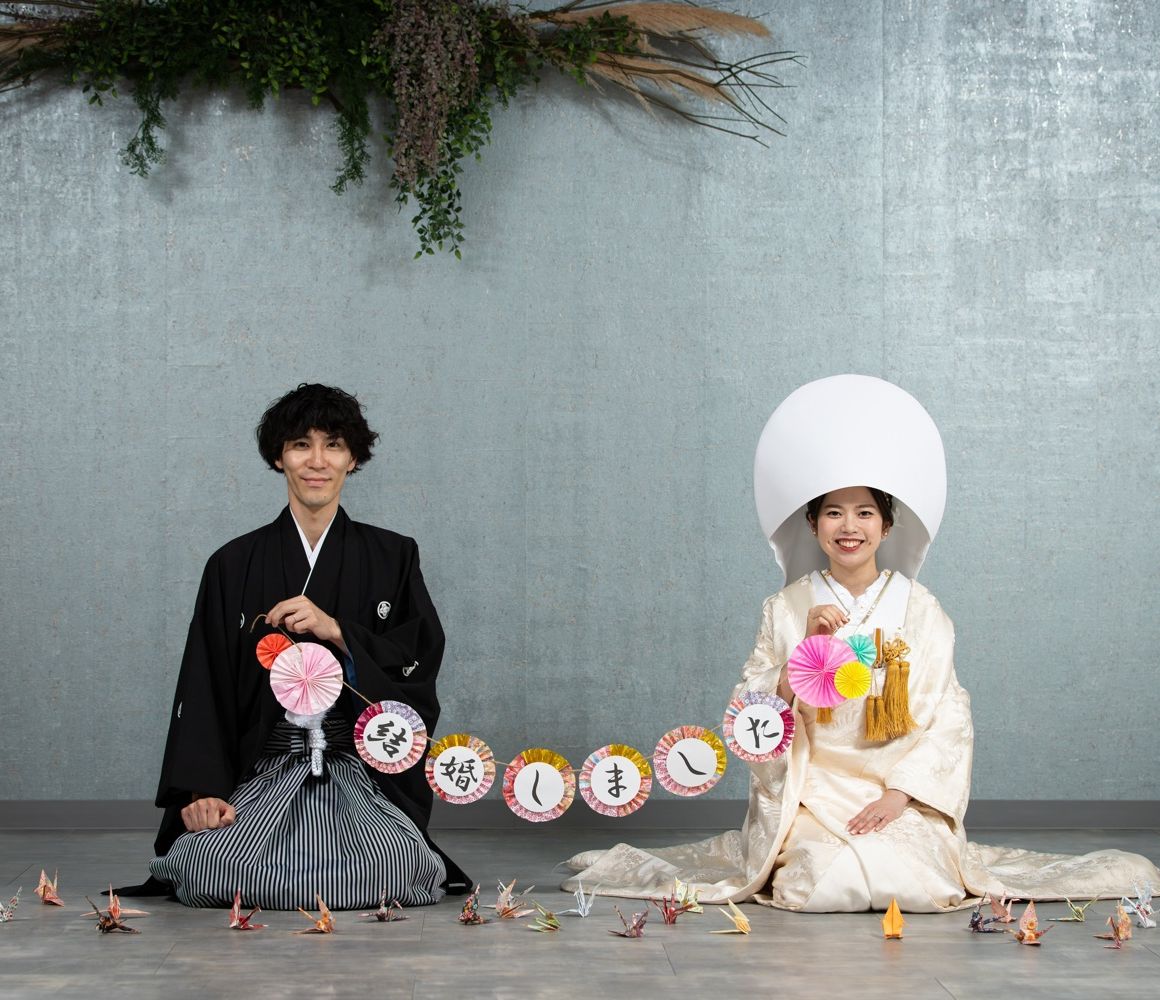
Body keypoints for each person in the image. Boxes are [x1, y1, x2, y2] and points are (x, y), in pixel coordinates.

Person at [563, 374, 1159, 911]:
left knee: (919, 885)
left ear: (887, 525)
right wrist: (799, 662)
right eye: (834, 513)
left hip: (895, 789)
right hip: (811, 793)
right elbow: (748, 715)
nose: (849, 527)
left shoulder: (920, 609)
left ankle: (909, 827)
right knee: (820, 883)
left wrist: (902, 796)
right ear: (813, 524)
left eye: (865, 513)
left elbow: (948, 715)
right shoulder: (785, 608)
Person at [127, 383, 468, 908]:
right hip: (261, 772)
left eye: (333, 445)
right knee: (215, 866)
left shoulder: (394, 555)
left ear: (353, 459)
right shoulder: (232, 564)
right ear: (278, 457)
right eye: (300, 445)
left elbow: (417, 658)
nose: (317, 461)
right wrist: (201, 792)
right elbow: (204, 683)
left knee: (395, 867)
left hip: (355, 775)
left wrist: (339, 632)